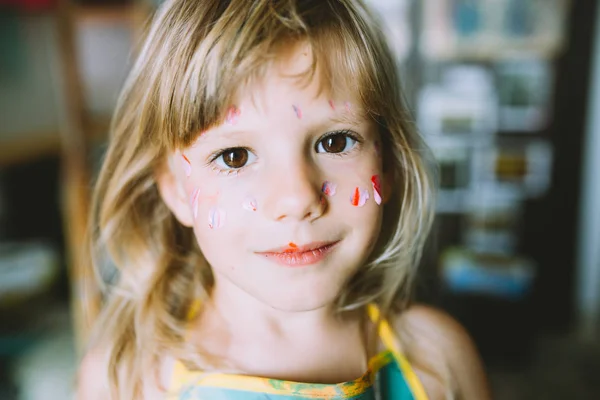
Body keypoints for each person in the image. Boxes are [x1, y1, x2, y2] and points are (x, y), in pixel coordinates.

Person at [77, 0, 491, 398]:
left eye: (335, 141)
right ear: (175, 189)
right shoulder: (124, 380)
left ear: (390, 163)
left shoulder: (439, 360)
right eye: (234, 157)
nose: (297, 199)